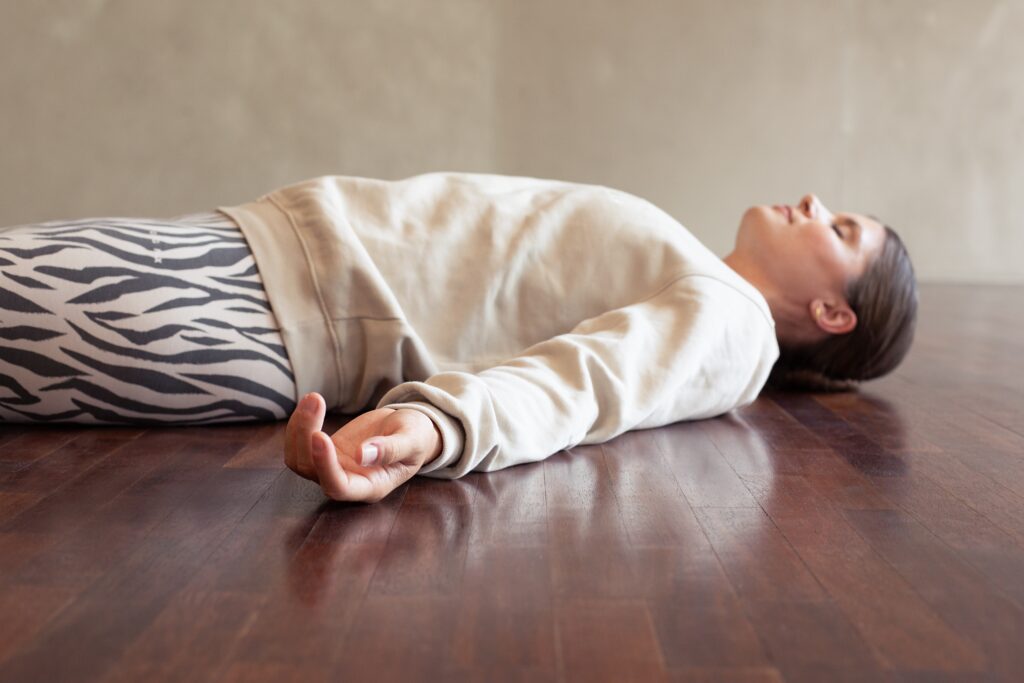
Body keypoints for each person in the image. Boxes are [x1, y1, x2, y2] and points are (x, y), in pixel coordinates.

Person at [0, 173, 917, 503]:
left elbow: (586, 385)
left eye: (841, 233)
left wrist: (437, 427)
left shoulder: (734, 326)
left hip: (250, 312)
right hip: (256, 268)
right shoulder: (702, 282)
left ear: (834, 315)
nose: (814, 204)